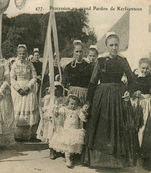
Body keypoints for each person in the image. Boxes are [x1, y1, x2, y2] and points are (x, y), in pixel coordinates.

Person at [82, 32, 139, 168]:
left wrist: (128, 92)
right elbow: (93, 83)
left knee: (119, 128)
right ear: (106, 46)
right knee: (103, 128)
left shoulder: (122, 60)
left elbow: (132, 81)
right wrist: (88, 102)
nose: (114, 48)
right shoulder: (100, 61)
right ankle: (101, 162)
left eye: (116, 45)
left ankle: (118, 163)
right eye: (111, 45)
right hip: (102, 97)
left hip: (119, 97)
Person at [49, 95, 88, 168]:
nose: (73, 106)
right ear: (68, 103)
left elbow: (83, 118)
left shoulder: (78, 110)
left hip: (75, 131)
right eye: (71, 104)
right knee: (67, 146)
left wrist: (84, 113)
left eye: (75, 104)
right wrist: (56, 111)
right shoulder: (65, 109)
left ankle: (71, 157)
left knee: (72, 145)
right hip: (66, 130)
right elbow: (59, 114)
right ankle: (68, 159)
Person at [10, 44, 39, 141]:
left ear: (26, 54)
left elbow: (34, 77)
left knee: (29, 109)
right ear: (17, 54)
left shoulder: (30, 64)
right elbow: (12, 78)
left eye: (23, 53)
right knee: (18, 110)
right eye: (20, 53)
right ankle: (18, 135)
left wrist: (28, 87)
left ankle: (30, 135)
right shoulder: (14, 64)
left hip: (28, 90)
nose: (22, 55)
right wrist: (18, 88)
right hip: (18, 91)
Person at [36, 82, 66, 159]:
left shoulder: (63, 99)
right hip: (52, 120)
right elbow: (45, 108)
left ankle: (59, 150)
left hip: (60, 120)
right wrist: (52, 110)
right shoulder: (49, 98)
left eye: (60, 89)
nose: (58, 92)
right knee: (51, 135)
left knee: (60, 135)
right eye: (56, 90)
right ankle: (52, 151)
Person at [132, 58, 151, 170]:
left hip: (147, 104)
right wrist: (135, 93)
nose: (144, 70)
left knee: (143, 129)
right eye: (142, 68)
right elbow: (130, 89)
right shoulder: (135, 76)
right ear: (139, 67)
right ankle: (133, 152)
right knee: (133, 126)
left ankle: (141, 153)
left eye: (147, 68)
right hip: (136, 103)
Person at [63, 40, 93, 105]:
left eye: (80, 52)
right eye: (77, 52)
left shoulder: (89, 66)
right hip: (72, 96)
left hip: (84, 96)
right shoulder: (68, 67)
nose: (79, 54)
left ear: (83, 52)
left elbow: (92, 83)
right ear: (73, 52)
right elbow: (64, 83)